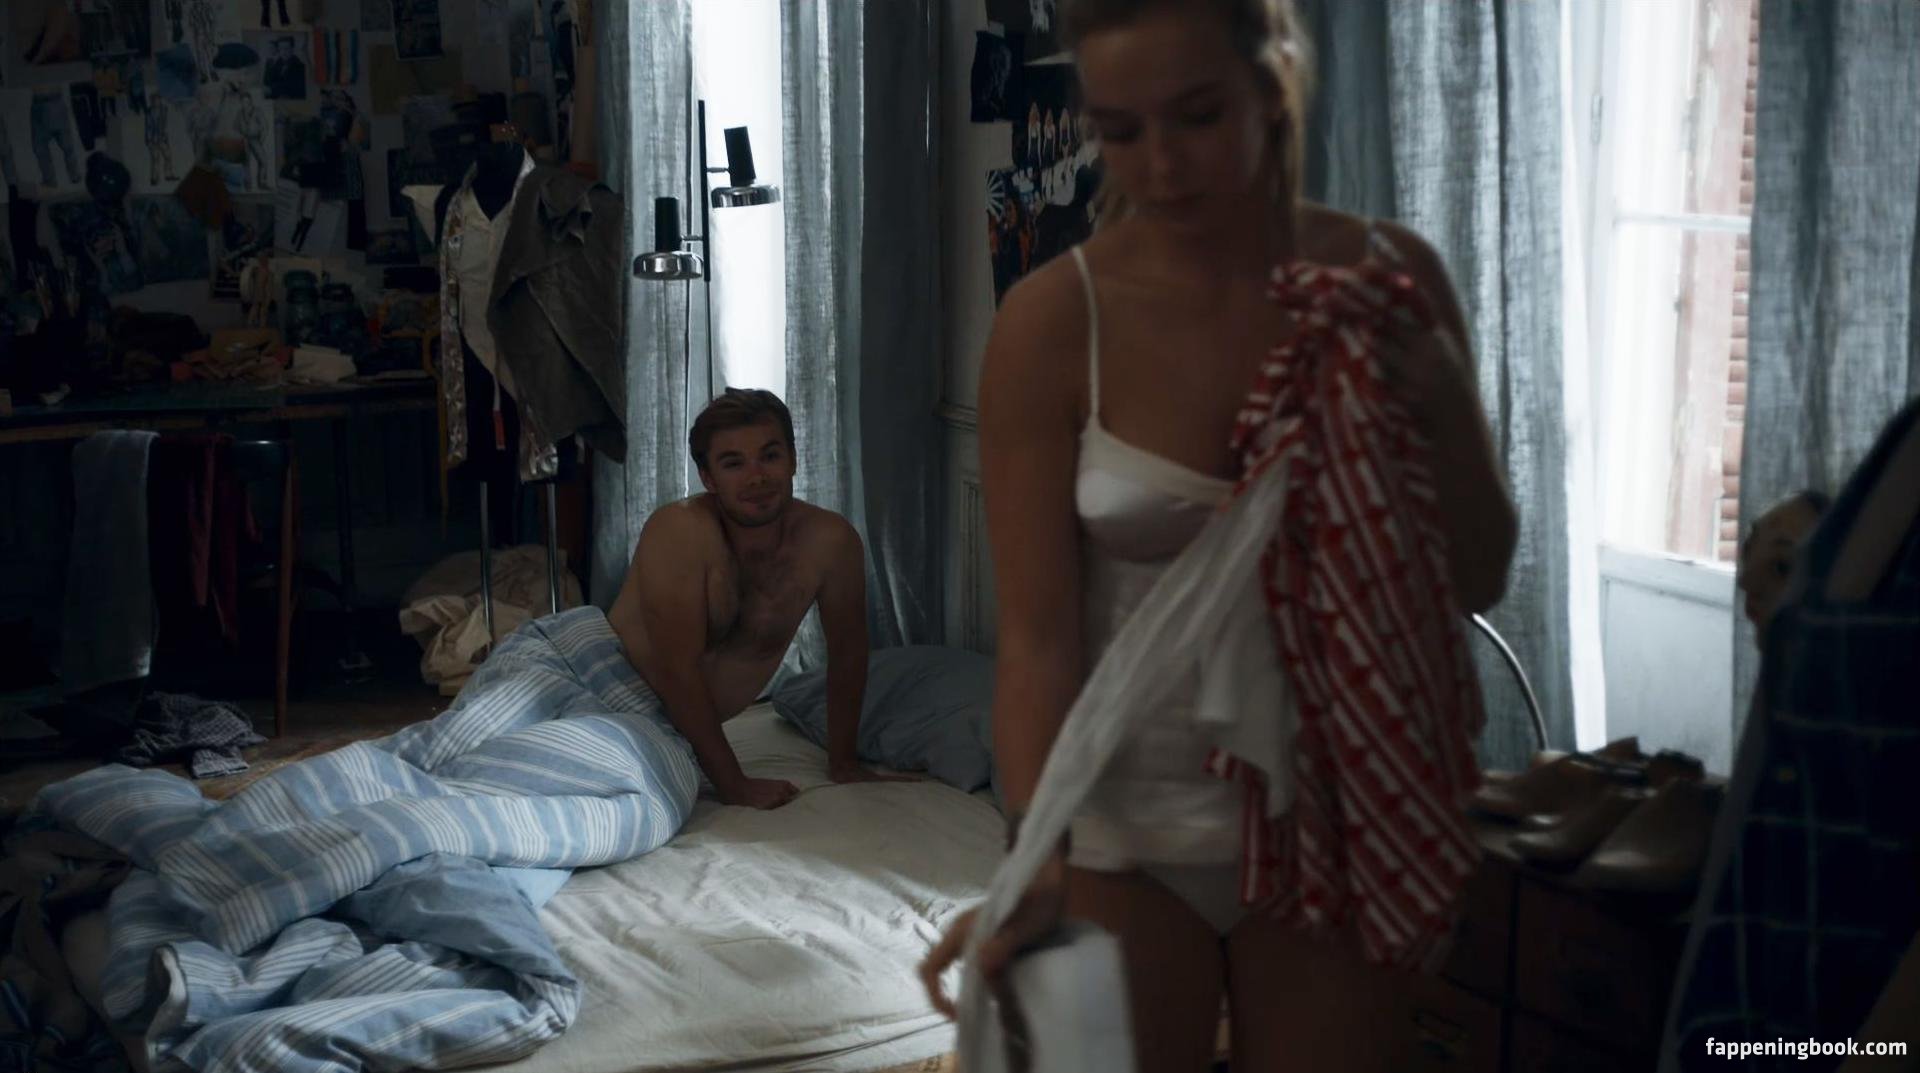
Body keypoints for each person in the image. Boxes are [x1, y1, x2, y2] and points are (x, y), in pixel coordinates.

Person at [918, 1, 1517, 1070]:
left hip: (1334, 820)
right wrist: (1031, 850)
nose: (1161, 165)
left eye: (1197, 116)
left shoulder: (1386, 283)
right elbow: (1039, 641)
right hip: (1119, 825)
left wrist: (1435, 394)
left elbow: (1478, 573)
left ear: (1272, 84)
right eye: (1121, 129)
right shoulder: (1055, 321)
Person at [607, 389, 913, 810]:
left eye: (769, 456)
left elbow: (849, 653)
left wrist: (843, 762)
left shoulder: (831, 543)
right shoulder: (680, 530)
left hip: (664, 735)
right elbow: (676, 670)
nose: (757, 478)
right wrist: (734, 785)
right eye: (734, 464)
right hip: (597, 684)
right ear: (708, 478)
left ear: (793, 459)